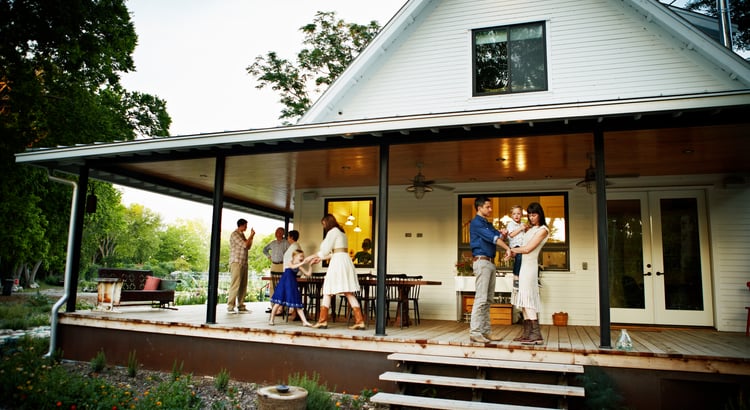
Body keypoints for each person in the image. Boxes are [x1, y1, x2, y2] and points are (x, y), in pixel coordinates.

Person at [305, 214, 366, 330]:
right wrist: (320, 258)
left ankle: (322, 320)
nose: (323, 227)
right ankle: (360, 321)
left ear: (327, 223)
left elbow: (325, 250)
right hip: (345, 261)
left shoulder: (332, 232)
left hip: (338, 263)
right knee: (348, 292)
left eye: (323, 224)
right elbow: (336, 251)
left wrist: (312, 256)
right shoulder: (341, 233)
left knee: (328, 290)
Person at [469, 196, 511, 343]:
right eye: (488, 207)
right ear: (479, 208)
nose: (490, 209)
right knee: (481, 298)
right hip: (482, 262)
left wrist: (503, 234)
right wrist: (507, 248)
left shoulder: (487, 224)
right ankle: (475, 332)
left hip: (490, 263)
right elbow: (493, 239)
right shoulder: (476, 223)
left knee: (487, 300)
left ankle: (486, 332)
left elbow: (497, 236)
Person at [510, 202, 550, 345]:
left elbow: (527, 249)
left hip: (530, 268)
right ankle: (527, 333)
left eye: (534, 215)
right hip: (522, 266)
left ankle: (536, 334)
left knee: (528, 298)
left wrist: (512, 250)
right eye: (530, 215)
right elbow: (521, 246)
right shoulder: (530, 229)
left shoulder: (543, 230)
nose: (531, 218)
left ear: (540, 215)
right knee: (523, 300)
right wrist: (514, 252)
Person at [269, 249, 313, 327]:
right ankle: (271, 319)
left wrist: (310, 265)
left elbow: (308, 274)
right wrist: (303, 262)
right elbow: (292, 266)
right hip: (284, 284)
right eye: (301, 256)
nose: (303, 257)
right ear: (295, 256)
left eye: (303, 256)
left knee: (297, 303)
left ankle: (304, 321)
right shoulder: (290, 262)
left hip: (292, 284)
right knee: (278, 303)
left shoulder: (299, 266)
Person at [227, 218, 255, 314]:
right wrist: (251, 236)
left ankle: (241, 305)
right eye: (245, 225)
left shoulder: (242, 235)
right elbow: (245, 245)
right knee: (235, 284)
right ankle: (230, 306)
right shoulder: (235, 234)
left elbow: (249, 246)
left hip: (243, 263)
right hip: (236, 262)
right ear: (241, 225)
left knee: (243, 285)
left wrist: (251, 237)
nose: (246, 227)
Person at [263, 227, 289, 313]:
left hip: (282, 265)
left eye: (278, 232)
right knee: (272, 285)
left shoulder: (286, 243)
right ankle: (273, 306)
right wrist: (269, 256)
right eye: (276, 232)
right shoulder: (273, 243)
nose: (276, 233)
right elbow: (265, 249)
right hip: (274, 265)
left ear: (282, 233)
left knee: (281, 285)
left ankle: (282, 307)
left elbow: (291, 252)